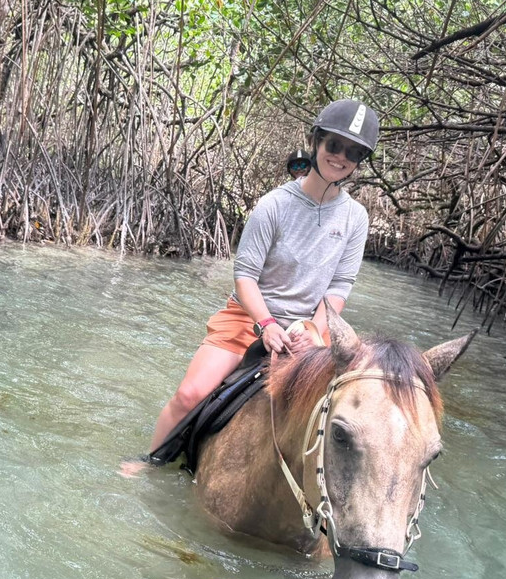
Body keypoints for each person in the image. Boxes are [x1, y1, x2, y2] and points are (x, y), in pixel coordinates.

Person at [147, 99, 377, 455]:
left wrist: (315, 332)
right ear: (317, 142)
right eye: (334, 145)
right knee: (189, 394)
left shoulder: (356, 218)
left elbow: (340, 284)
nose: (341, 156)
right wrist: (267, 324)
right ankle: (148, 461)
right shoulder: (274, 205)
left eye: (353, 152)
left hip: (314, 328)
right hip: (251, 317)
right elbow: (246, 275)